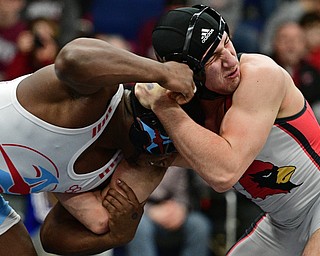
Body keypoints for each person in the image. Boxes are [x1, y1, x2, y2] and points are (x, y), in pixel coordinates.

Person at [134, 4, 320, 256]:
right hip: (283, 224)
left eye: (227, 42)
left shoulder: (259, 74)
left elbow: (224, 171)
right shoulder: (186, 108)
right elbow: (163, 157)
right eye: (213, 57)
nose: (231, 60)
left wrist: (163, 106)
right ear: (188, 72)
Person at [0, 35, 197, 255]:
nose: (157, 164)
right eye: (159, 159)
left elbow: (52, 236)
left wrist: (118, 236)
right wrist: (164, 72)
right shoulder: (97, 96)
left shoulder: (112, 173)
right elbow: (71, 58)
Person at [126, 166, 212, 256]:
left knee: (199, 224)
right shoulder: (137, 161)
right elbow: (130, 198)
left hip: (174, 211)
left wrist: (180, 209)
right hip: (144, 211)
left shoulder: (178, 161)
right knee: (139, 224)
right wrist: (150, 211)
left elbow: (184, 195)